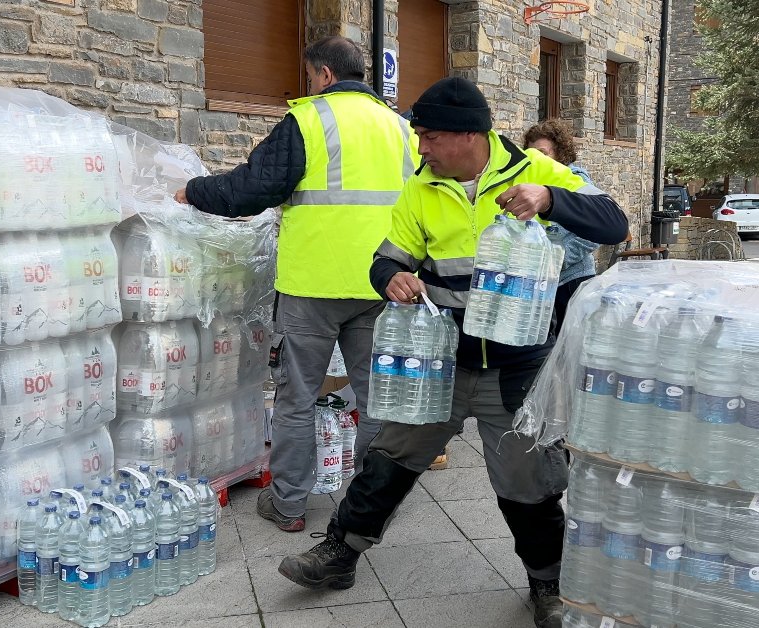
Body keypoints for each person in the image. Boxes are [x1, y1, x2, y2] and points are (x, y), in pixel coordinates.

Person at [276, 77, 629, 628]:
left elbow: (615, 223)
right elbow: (386, 258)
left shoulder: (533, 170)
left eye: (430, 137)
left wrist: (552, 199)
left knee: (527, 478)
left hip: (516, 365)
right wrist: (390, 277)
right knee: (390, 457)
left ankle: (547, 585)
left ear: (470, 135)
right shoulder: (420, 188)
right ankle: (340, 553)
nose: (421, 149)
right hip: (442, 361)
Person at [174, 36, 416, 533]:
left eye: (310, 78)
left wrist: (191, 193)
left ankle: (288, 505)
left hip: (314, 286)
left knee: (297, 398)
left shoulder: (310, 120)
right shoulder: (402, 129)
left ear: (324, 75)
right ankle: (367, 507)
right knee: (376, 403)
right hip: (383, 284)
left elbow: (250, 189)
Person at [523, 119, 601, 327]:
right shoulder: (530, 185)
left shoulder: (576, 180)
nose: (536, 160)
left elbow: (593, 234)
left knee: (570, 348)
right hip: (541, 283)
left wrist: (557, 259)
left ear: (560, 153)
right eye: (531, 154)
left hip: (573, 280)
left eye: (543, 153)